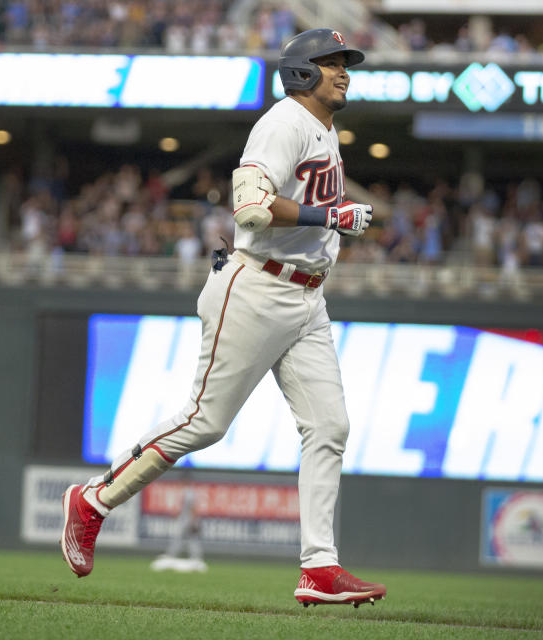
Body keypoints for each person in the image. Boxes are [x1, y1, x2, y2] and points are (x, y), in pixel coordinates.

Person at [59, 27, 385, 608]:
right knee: (206, 422)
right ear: (302, 72)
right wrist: (329, 215)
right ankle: (93, 500)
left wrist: (326, 219)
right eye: (332, 62)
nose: (344, 71)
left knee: (329, 427)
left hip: (306, 299)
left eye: (345, 62)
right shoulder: (283, 122)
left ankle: (320, 568)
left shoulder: (322, 128)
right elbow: (251, 209)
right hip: (257, 286)